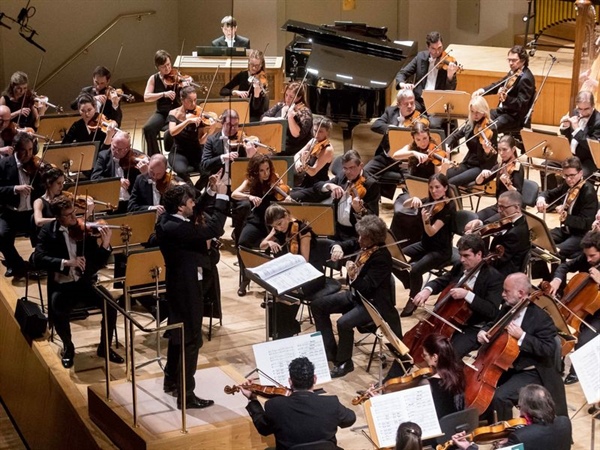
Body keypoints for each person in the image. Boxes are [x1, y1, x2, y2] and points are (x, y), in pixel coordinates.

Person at [155, 182, 229, 409]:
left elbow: (195, 211)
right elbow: (214, 228)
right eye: (190, 201)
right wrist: (222, 198)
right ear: (180, 207)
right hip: (186, 288)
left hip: (180, 284)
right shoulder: (178, 228)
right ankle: (186, 394)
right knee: (191, 339)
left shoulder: (169, 220)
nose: (194, 204)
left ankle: (171, 380)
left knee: (179, 333)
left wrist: (210, 191)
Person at [31, 194, 122, 369]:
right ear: (58, 217)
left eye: (74, 213)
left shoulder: (84, 231)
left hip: (83, 283)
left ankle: (104, 347)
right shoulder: (48, 231)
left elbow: (95, 264)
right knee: (58, 309)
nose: (75, 218)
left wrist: (105, 244)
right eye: (69, 215)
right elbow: (38, 258)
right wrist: (66, 263)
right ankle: (68, 347)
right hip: (62, 285)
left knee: (111, 306)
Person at [310, 215, 403, 378]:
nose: (359, 240)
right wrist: (337, 247)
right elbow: (347, 244)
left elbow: (367, 287)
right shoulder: (363, 244)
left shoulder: (382, 258)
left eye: (363, 237)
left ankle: (345, 362)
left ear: (372, 239)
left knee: (343, 323)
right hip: (356, 297)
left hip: (372, 303)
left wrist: (354, 276)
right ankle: (330, 351)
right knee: (318, 305)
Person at [476, 273, 567, 422]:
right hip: (505, 365)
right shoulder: (508, 307)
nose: (502, 294)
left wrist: (523, 336)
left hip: (530, 371)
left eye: (506, 291)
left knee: (500, 397)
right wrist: (483, 331)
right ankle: (486, 418)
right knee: (482, 388)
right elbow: (493, 323)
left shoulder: (541, 318)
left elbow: (549, 348)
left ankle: (506, 434)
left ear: (521, 293)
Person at [410, 234, 504, 358]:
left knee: (448, 356)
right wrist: (427, 290)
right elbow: (443, 280)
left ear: (479, 255)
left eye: (466, 256)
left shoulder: (493, 278)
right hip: (447, 320)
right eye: (460, 255)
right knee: (412, 344)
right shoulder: (460, 267)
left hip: (472, 327)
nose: (462, 260)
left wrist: (467, 295)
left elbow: (492, 311)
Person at [241, 357, 355, 449]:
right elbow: (350, 419)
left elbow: (263, 429)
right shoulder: (331, 403)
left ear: (290, 381)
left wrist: (253, 399)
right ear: (314, 379)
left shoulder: (274, 406)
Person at [395, 173, 456, 317]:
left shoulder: (449, 208)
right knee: (396, 257)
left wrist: (426, 221)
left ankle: (413, 300)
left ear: (445, 188)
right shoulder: (429, 201)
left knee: (415, 270)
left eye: (438, 187)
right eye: (431, 188)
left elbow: (431, 232)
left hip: (441, 250)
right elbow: (404, 205)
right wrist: (413, 199)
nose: (434, 191)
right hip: (425, 245)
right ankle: (411, 282)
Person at [547, 230, 600, 385]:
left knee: (583, 340)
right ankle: (557, 362)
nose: (588, 259)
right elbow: (565, 266)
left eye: (593, 256)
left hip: (597, 314)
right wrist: (557, 280)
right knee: (553, 325)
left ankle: (576, 372)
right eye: (587, 255)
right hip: (579, 304)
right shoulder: (586, 257)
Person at [452, 384, 571, 450]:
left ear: (527, 410)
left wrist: (469, 447)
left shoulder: (520, 436)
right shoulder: (565, 422)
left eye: (520, 407)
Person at [232, 154, 285, 296]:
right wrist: (249, 196)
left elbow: (285, 196)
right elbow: (234, 194)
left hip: (273, 223)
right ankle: (246, 278)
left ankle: (276, 282)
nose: (266, 173)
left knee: (279, 245)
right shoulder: (251, 181)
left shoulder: (274, 179)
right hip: (256, 221)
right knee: (242, 243)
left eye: (268, 169)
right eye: (262, 170)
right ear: (256, 171)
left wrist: (283, 192)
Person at [368, 89, 430, 199]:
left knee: (411, 184)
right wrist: (393, 129)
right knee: (365, 173)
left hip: (406, 160)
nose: (410, 106)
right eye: (406, 104)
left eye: (412, 102)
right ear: (398, 104)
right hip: (385, 157)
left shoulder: (420, 118)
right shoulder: (391, 112)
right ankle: (371, 201)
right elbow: (376, 125)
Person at [0, 132, 45, 279]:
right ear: (15, 148)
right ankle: (17, 265)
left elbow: (43, 190)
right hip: (10, 212)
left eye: (31, 150)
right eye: (24, 150)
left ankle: (35, 262)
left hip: (31, 213)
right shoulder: (4, 164)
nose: (29, 154)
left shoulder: (36, 166)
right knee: (2, 235)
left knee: (46, 234)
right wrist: (15, 188)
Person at [315, 150, 380, 250]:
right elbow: (317, 186)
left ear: (361, 166)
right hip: (336, 231)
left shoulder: (371, 184)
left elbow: (373, 218)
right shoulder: (342, 176)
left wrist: (359, 211)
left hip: (355, 236)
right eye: (345, 168)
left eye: (352, 168)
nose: (348, 172)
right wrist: (330, 185)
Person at [536, 156, 598, 260]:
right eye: (566, 176)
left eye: (572, 175)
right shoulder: (567, 185)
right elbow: (549, 194)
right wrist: (541, 199)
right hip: (566, 230)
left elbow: (586, 223)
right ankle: (544, 275)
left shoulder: (588, 193)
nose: (569, 179)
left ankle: (557, 276)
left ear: (581, 173)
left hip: (580, 235)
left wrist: (566, 217)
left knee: (555, 252)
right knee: (537, 240)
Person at [395, 31, 459, 129]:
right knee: (401, 114)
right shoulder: (420, 57)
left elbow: (450, 91)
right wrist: (403, 84)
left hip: (437, 103)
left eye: (439, 48)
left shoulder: (448, 62)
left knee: (433, 124)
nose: (437, 52)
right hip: (419, 101)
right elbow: (402, 73)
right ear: (428, 47)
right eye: (433, 49)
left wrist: (450, 76)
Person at [464, 191, 530, 278]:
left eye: (503, 207)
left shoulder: (517, 232)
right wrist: (479, 224)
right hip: (496, 262)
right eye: (498, 206)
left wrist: (478, 261)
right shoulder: (508, 218)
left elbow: (500, 261)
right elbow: (491, 223)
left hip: (504, 272)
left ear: (516, 207)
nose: (499, 210)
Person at [472, 45, 535, 133]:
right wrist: (482, 91)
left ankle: (491, 146)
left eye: (514, 60)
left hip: (514, 116)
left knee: (489, 129)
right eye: (509, 60)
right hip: (502, 111)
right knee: (477, 120)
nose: (510, 63)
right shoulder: (514, 72)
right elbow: (499, 84)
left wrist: (506, 99)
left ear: (523, 60)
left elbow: (521, 105)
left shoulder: (526, 79)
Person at [90, 130, 148, 213]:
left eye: (120, 149)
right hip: (112, 202)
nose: (116, 151)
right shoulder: (103, 156)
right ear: (111, 141)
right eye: (114, 147)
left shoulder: (136, 157)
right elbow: (95, 178)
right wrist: (117, 181)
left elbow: (147, 184)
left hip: (131, 202)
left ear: (128, 147)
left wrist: (145, 173)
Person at [445, 96, 497, 187]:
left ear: (484, 111)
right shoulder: (470, 124)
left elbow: (492, 159)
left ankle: (454, 201)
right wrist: (447, 144)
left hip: (480, 167)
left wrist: (487, 152)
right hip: (467, 163)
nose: (474, 115)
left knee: (450, 182)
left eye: (477, 112)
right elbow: (455, 136)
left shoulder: (491, 129)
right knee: (444, 177)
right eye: (472, 112)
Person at [473, 134, 524, 221]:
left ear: (513, 149)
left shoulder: (517, 167)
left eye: (504, 150)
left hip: (510, 210)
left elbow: (518, 195)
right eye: (499, 150)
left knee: (485, 224)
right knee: (475, 218)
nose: (501, 153)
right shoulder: (501, 165)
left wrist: (507, 183)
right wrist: (482, 174)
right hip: (498, 206)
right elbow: (479, 182)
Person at [167, 86, 208, 185]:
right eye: (190, 101)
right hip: (178, 152)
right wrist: (187, 121)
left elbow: (200, 141)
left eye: (195, 100)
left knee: (207, 172)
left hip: (196, 151)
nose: (193, 104)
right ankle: (192, 194)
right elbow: (172, 132)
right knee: (181, 172)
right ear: (182, 99)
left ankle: (195, 194)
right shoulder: (173, 113)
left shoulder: (199, 113)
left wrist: (210, 130)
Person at [143, 50, 180, 156]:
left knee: (172, 131)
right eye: (164, 66)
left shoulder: (178, 77)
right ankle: (155, 157)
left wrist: (185, 87)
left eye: (168, 64)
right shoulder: (153, 79)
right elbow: (146, 97)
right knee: (148, 128)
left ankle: (175, 156)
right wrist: (163, 94)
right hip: (162, 113)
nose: (168, 68)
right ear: (158, 67)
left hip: (177, 113)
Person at [261, 81, 313, 156]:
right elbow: (263, 118)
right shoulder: (281, 105)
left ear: (299, 98)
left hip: (292, 150)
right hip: (276, 144)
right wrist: (279, 119)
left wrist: (290, 117)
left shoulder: (304, 112)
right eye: (286, 95)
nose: (287, 99)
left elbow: (297, 134)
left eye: (291, 97)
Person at [291, 116, 335, 202]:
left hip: (318, 186)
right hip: (306, 183)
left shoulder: (327, 150)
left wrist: (304, 166)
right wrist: (298, 163)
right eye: (315, 131)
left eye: (320, 132)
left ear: (327, 132)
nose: (317, 134)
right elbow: (297, 155)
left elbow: (313, 171)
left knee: (291, 197)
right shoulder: (313, 141)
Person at [219, 50, 269, 122]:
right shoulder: (243, 75)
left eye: (257, 66)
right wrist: (236, 92)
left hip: (256, 117)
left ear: (261, 65)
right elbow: (222, 91)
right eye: (252, 64)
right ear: (248, 62)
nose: (254, 68)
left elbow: (256, 108)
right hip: (242, 112)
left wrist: (256, 94)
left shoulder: (262, 80)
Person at [559, 90, 600, 177]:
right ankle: (556, 190)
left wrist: (577, 129)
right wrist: (565, 126)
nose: (582, 112)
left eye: (586, 109)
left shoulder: (598, 121)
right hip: (571, 157)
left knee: (577, 177)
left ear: (593, 105)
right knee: (546, 166)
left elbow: (591, 146)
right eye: (580, 108)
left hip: (588, 160)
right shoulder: (575, 112)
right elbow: (568, 137)